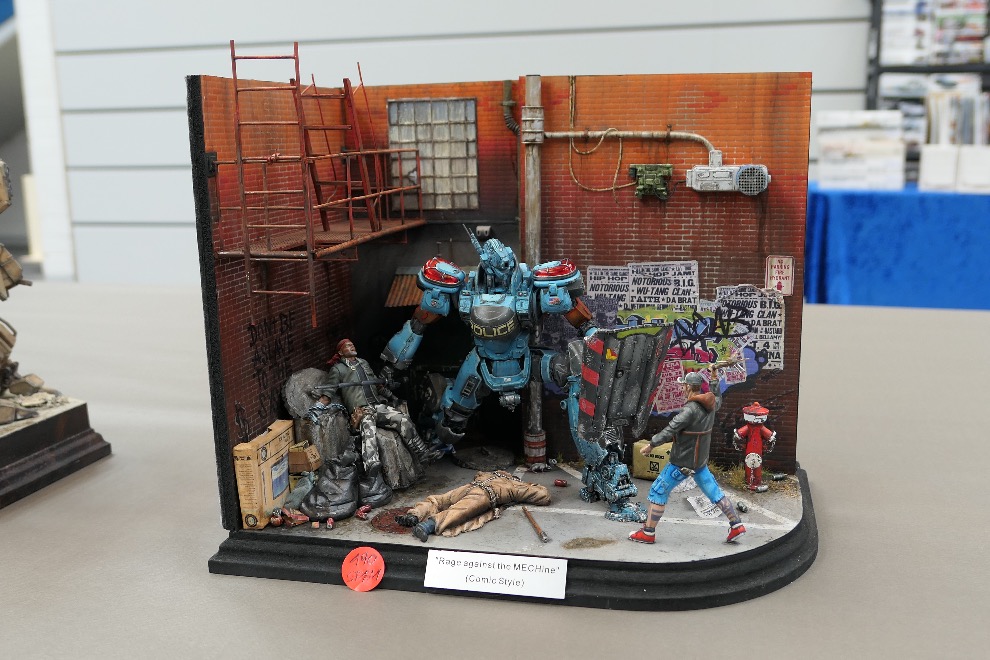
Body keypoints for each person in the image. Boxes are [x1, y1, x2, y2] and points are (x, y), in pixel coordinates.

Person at [628, 364, 746, 545]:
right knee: (714, 492)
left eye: (684, 385)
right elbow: (717, 397)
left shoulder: (689, 410)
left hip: (681, 463)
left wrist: (652, 444)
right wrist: (714, 377)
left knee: (658, 491)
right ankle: (736, 524)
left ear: (689, 387)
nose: (683, 388)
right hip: (699, 463)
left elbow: (671, 428)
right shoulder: (711, 405)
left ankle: (648, 532)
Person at [311, 339, 442, 469]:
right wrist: (316, 409)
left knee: (404, 420)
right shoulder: (338, 369)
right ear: (340, 352)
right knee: (369, 431)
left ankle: (423, 454)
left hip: (376, 406)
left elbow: (376, 384)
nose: (352, 346)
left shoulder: (363, 363)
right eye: (348, 345)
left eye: (352, 344)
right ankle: (371, 467)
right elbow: (329, 391)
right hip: (361, 410)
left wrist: (392, 397)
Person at [396, 470, 551, 542]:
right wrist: (530, 487)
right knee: (458, 510)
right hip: (483, 494)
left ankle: (415, 515)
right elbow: (544, 495)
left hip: (471, 487)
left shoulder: (490, 474)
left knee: (440, 500)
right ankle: (425, 524)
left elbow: (478, 473)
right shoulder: (515, 486)